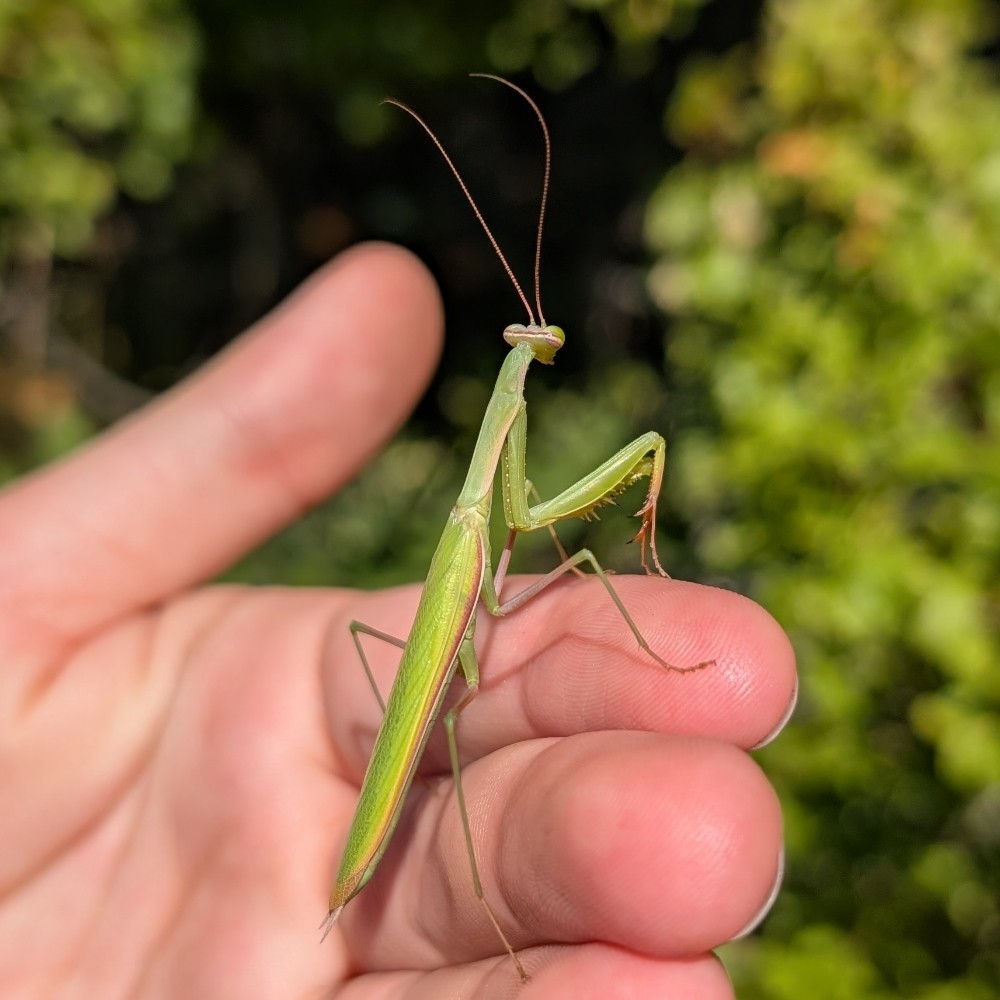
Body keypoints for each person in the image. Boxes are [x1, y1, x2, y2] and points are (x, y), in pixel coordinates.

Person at [0, 243, 796, 997]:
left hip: (456, 593)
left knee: (496, 606)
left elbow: (518, 512)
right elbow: (524, 525)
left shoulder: (477, 502)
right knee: (568, 577)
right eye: (535, 341)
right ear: (524, 358)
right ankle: (483, 894)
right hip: (425, 696)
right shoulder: (482, 503)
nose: (543, 343)